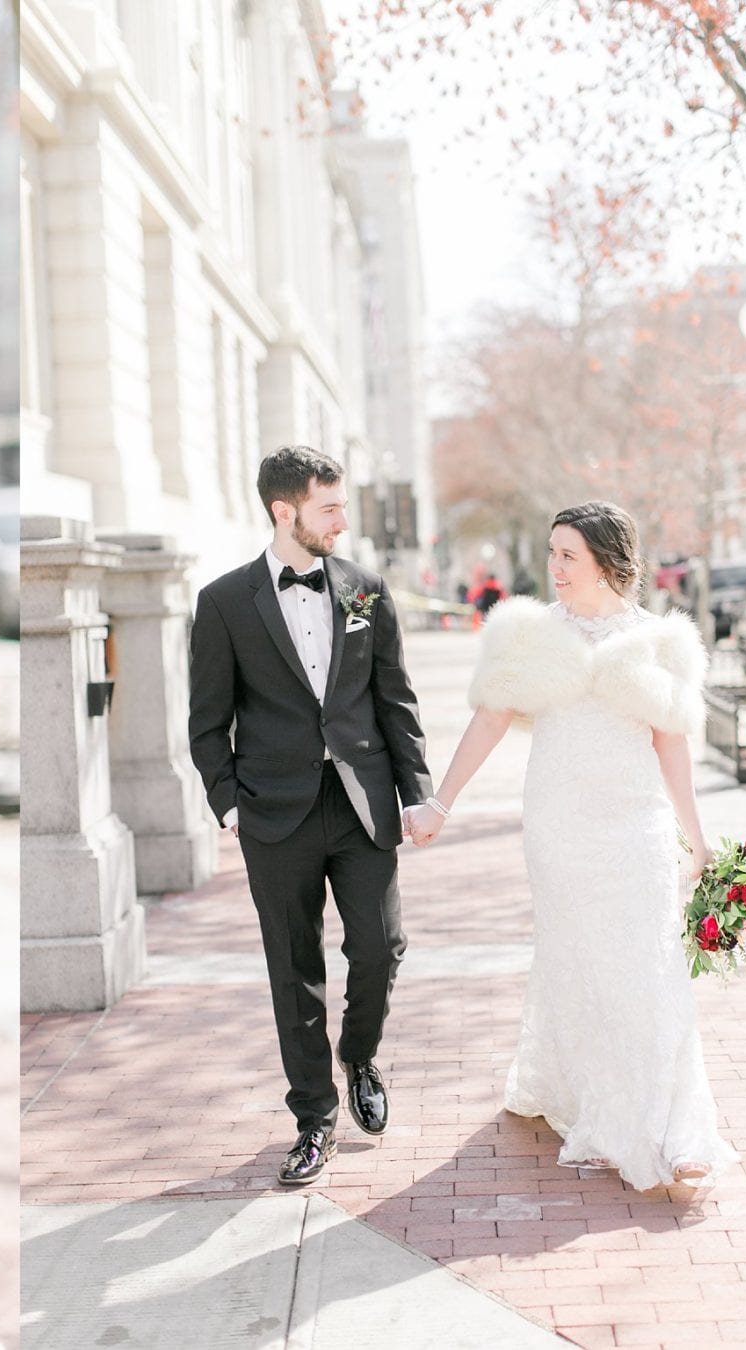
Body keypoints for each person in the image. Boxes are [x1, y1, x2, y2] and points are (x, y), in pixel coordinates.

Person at [407, 501, 737, 1189]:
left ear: (607, 563)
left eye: (567, 556)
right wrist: (442, 801)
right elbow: (490, 718)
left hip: (635, 826)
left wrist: (697, 840)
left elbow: (670, 745)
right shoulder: (531, 634)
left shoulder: (659, 642)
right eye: (552, 553)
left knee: (649, 965)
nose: (553, 568)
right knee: (579, 961)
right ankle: (584, 1092)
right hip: (558, 826)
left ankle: (675, 1129)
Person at [187, 446, 432, 1187]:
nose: (343, 520)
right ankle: (314, 1120)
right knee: (294, 971)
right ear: (284, 511)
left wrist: (417, 792)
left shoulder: (365, 590)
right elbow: (207, 719)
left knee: (381, 947)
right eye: (330, 508)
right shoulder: (225, 601)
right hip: (274, 813)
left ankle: (359, 1054)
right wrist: (228, 802)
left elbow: (395, 698)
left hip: (363, 803)